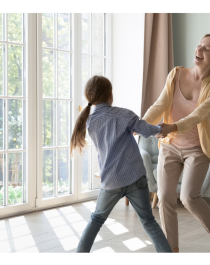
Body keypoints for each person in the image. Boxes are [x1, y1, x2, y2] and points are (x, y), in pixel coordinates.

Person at [142, 33, 210, 253]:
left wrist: (172, 126)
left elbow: (198, 115)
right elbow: (160, 104)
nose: (199, 51)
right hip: (170, 146)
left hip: (197, 149)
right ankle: (172, 251)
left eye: (207, 49)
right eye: (199, 45)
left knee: (189, 197)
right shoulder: (176, 74)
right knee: (164, 198)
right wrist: (142, 125)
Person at [72, 75, 174, 253]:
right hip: (135, 177)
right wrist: (163, 129)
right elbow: (147, 130)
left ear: (89, 97)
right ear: (110, 94)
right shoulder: (125, 115)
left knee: (96, 219)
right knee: (149, 222)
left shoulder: (89, 121)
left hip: (111, 181)